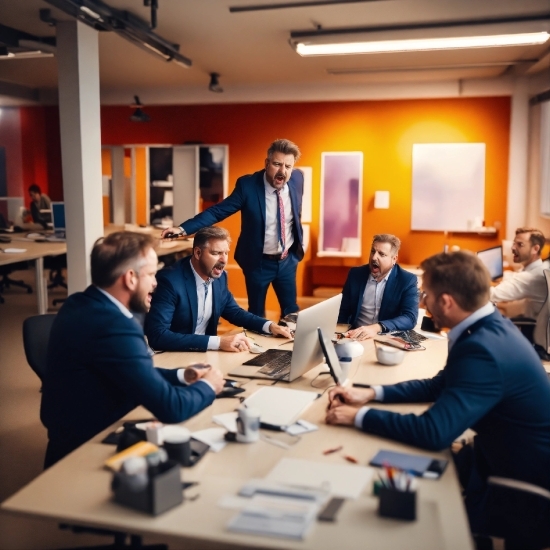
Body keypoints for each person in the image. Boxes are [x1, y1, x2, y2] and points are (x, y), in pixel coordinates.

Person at [327, 251, 550, 538]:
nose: (422, 301)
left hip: (524, 485)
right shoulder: (488, 325)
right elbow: (438, 386)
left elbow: (434, 432)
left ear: (446, 301)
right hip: (500, 456)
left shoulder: (482, 348)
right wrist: (369, 393)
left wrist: (358, 416)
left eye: (426, 294)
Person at [41, 232, 224, 468]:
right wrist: (209, 386)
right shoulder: (115, 326)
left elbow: (132, 370)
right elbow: (172, 408)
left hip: (68, 431)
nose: (155, 282)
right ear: (130, 278)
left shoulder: (80, 302)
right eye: (150, 274)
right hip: (87, 450)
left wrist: (182, 375)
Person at [161, 139, 304, 318]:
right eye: (277, 164)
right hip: (258, 262)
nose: (283, 171)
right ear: (267, 163)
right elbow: (217, 212)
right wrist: (182, 229)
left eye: (288, 166)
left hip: (287, 260)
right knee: (256, 314)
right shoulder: (248, 186)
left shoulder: (297, 179)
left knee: (292, 312)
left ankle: (292, 345)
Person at [145, 226, 292, 352]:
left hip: (206, 355)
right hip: (174, 355)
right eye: (216, 253)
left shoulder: (220, 277)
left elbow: (234, 312)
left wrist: (270, 326)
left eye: (226, 253)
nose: (223, 260)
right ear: (197, 253)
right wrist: (218, 342)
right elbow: (158, 335)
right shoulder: (170, 281)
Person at [337, 234, 418, 340]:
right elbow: (343, 311)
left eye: (381, 254)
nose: (374, 257)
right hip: (355, 337)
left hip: (387, 338)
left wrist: (377, 327)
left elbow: (410, 318)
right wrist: (339, 335)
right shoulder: (355, 274)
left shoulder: (407, 280)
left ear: (394, 259)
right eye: (373, 251)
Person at [490, 227, 548, 319]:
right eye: (514, 243)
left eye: (520, 244)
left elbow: (491, 295)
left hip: (530, 328)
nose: (513, 247)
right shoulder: (541, 267)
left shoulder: (531, 278)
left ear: (535, 249)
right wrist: (504, 276)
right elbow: (517, 276)